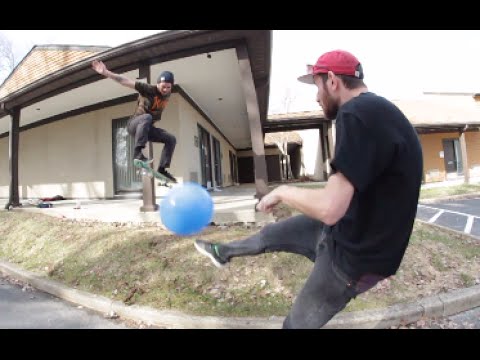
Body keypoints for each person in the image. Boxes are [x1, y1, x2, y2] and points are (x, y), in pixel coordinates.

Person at [194, 50, 423, 329]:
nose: (316, 97)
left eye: (317, 87)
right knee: (271, 234)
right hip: (345, 230)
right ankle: (224, 251)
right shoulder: (378, 112)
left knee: (295, 326)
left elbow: (329, 208)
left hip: (353, 259)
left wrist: (283, 191)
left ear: (332, 81)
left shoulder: (355, 114)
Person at [91, 60, 177, 183]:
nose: (165, 89)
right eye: (163, 86)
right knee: (147, 117)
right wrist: (106, 72)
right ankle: (137, 154)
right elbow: (124, 81)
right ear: (158, 84)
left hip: (147, 129)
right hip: (134, 124)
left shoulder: (167, 94)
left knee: (171, 139)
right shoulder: (148, 89)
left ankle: (162, 169)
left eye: (168, 87)